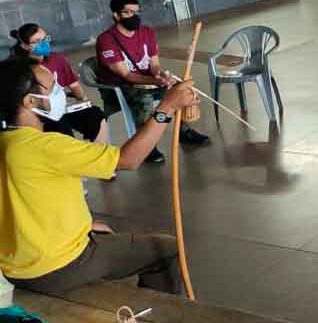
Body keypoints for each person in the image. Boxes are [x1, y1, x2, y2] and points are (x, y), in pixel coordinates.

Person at [0, 57, 200, 295]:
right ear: (30, 101)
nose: (61, 90)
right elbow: (128, 159)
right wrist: (167, 107)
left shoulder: (8, 143)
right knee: (167, 250)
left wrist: (84, 225)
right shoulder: (45, 146)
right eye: (52, 87)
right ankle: (158, 318)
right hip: (58, 266)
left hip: (16, 266)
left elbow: (25, 202)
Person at [96, 0, 209, 164]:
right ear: (116, 15)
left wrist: (161, 75)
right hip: (120, 88)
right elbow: (127, 75)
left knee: (179, 89)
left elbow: (154, 65)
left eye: (136, 11)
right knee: (144, 98)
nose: (134, 16)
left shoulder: (146, 32)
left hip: (148, 82)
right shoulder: (107, 40)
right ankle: (147, 147)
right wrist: (156, 81)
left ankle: (183, 131)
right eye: (128, 13)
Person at [9, 24, 108, 144]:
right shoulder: (19, 68)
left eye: (45, 39)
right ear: (25, 46)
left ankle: (98, 156)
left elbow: (73, 84)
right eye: (37, 41)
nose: (44, 43)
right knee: (61, 129)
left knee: (95, 115)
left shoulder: (57, 59)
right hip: (40, 116)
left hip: (62, 109)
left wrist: (84, 100)